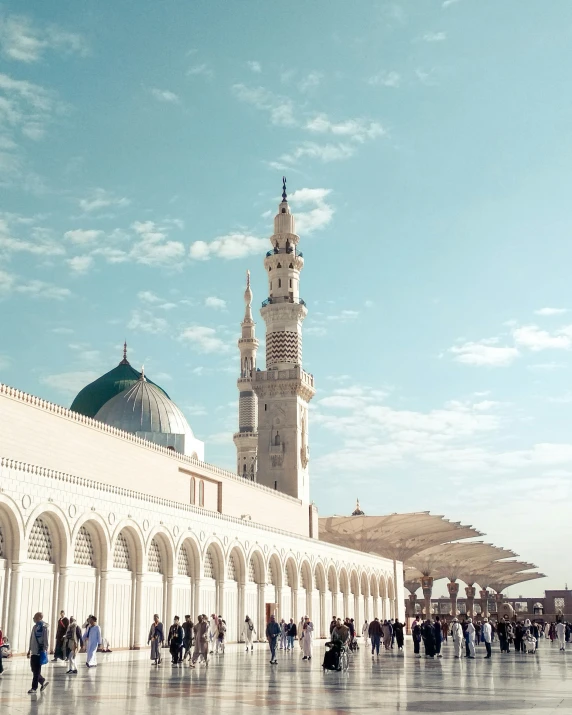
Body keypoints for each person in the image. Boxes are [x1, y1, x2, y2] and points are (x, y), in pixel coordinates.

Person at [27, 612, 49, 694]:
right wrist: (29, 650)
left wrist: (44, 650)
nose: (34, 618)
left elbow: (46, 640)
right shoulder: (35, 627)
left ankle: (34, 688)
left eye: (35, 616)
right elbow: (31, 639)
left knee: (36, 671)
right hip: (33, 651)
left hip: (39, 652)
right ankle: (42, 680)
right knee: (33, 669)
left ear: (40, 617)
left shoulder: (44, 627)